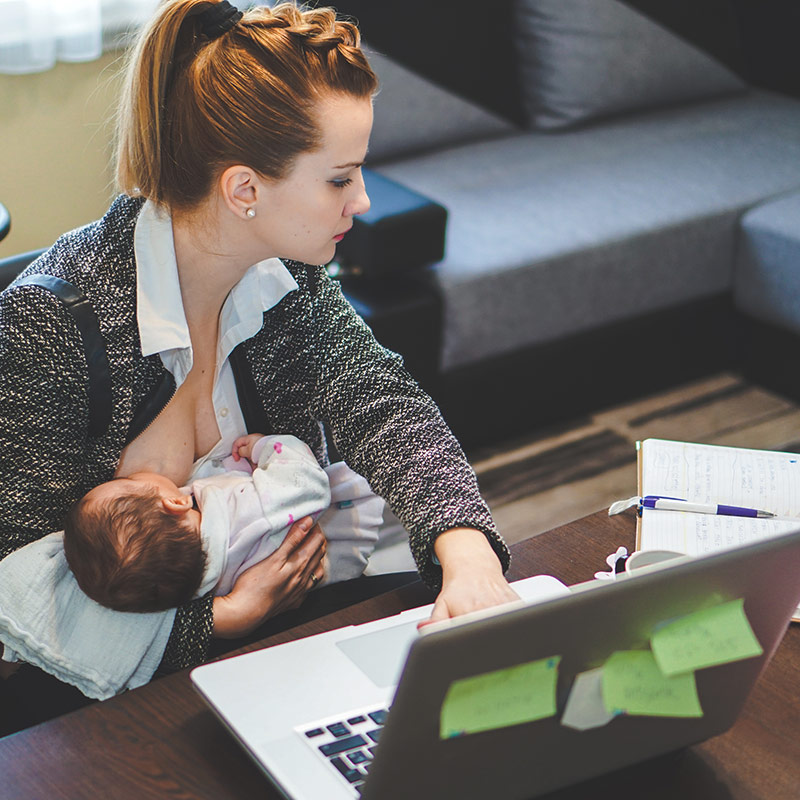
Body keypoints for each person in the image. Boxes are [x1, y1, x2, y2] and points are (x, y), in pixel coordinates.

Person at [0, 0, 517, 699]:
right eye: (340, 177)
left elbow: (377, 397)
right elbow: (15, 588)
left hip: (289, 642)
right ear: (244, 189)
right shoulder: (51, 325)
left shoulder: (289, 271)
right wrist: (221, 619)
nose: (362, 200)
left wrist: (469, 552)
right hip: (114, 701)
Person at [62, 433, 380, 613]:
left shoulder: (190, 586)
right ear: (175, 502)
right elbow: (306, 481)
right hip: (334, 552)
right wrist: (264, 448)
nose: (133, 475)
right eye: (129, 480)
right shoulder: (247, 512)